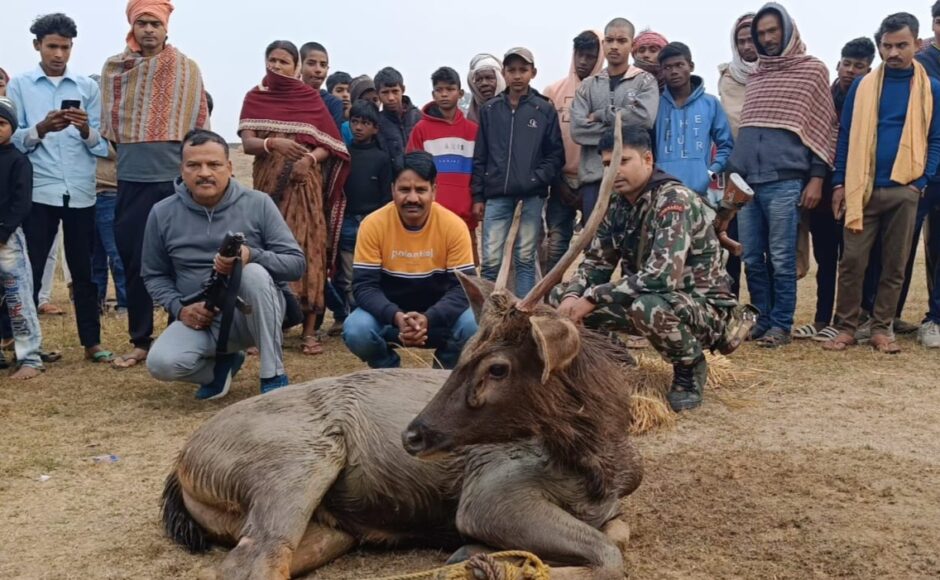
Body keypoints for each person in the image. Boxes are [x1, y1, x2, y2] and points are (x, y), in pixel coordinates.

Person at [551, 125, 741, 412]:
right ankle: (613, 357)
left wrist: (590, 298)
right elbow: (596, 263)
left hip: (700, 309)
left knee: (645, 305)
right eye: (607, 164)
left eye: (622, 161)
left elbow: (660, 277)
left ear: (648, 159)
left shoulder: (675, 200)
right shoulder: (615, 204)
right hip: (650, 298)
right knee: (559, 298)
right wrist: (572, 296)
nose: (613, 171)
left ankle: (689, 368)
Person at [144, 130, 305, 398]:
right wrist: (180, 309)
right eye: (193, 165)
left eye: (214, 164)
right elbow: (153, 274)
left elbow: (295, 264)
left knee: (252, 273)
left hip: (255, 316)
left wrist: (251, 255)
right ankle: (221, 368)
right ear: (181, 169)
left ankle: (273, 375)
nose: (204, 173)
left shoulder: (259, 203)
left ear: (229, 168)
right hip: (202, 320)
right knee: (161, 364)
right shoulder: (162, 213)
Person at [100, 0, 210, 369]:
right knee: (133, 259)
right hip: (131, 180)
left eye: (155, 24)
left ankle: (179, 328)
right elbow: (111, 130)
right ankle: (140, 339)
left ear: (166, 29)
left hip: (174, 182)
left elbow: (197, 126)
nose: (149, 29)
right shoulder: (115, 69)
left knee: (180, 257)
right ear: (133, 27)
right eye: (142, 23)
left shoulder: (186, 69)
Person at [823, 13, 940, 354]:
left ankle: (881, 327)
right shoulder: (863, 85)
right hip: (863, 188)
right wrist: (840, 183)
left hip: (905, 190)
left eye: (902, 45)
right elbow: (845, 137)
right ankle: (845, 327)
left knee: (895, 263)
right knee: (852, 262)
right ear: (879, 47)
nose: (893, 53)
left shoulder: (931, 88)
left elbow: (936, 139)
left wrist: (920, 182)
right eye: (886, 46)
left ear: (917, 45)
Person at [728, 3, 838, 348]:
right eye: (761, 33)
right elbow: (748, 129)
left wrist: (818, 178)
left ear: (788, 30)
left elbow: (824, 129)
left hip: (785, 180)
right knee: (750, 256)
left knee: (781, 257)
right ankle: (761, 318)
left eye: (773, 31)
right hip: (747, 183)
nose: (767, 38)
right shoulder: (757, 73)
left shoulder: (812, 70)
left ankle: (781, 324)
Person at [8, 12, 115, 365]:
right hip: (39, 192)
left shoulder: (86, 87)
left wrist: (85, 129)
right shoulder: (20, 85)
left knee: (83, 271)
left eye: (65, 47)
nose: (58, 54)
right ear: (38, 45)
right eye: (52, 46)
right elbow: (14, 140)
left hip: (81, 192)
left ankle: (91, 343)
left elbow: (102, 146)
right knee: (32, 271)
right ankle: (26, 346)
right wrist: (42, 127)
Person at [239, 40, 350, 356]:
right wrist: (273, 143)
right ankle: (266, 328)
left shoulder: (310, 99)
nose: (276, 66)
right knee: (266, 249)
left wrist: (309, 160)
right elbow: (248, 142)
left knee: (309, 247)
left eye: (284, 61)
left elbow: (329, 144)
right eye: (271, 60)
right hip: (269, 185)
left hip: (305, 184)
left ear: (296, 66)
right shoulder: (255, 96)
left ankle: (310, 331)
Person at [343, 151, 477, 369]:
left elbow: (464, 289)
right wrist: (396, 317)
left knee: (475, 324)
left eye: (421, 190)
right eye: (404, 189)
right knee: (357, 329)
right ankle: (387, 371)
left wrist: (429, 318)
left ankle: (443, 374)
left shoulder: (454, 226)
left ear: (434, 191)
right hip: (389, 318)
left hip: (438, 319)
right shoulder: (372, 225)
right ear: (392, 190)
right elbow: (364, 287)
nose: (412, 198)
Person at [792, 37, 875, 342]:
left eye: (859, 66)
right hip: (821, 193)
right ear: (838, 63)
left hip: (856, 192)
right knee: (826, 260)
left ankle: (847, 320)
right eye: (846, 63)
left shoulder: (869, 99)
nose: (850, 71)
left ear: (869, 69)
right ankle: (821, 318)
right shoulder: (823, 98)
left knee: (852, 262)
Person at [472, 47, 565, 296]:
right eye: (511, 70)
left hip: (531, 198)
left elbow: (555, 155)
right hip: (497, 197)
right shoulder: (490, 110)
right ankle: (487, 318)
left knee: (525, 259)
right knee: (490, 262)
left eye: (523, 70)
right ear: (504, 73)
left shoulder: (543, 109)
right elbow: (481, 157)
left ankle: (523, 317)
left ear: (533, 73)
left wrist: (535, 179)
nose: (517, 75)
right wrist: (478, 197)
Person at [571, 17, 659, 223]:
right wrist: (623, 131)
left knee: (634, 246)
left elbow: (644, 119)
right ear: (603, 45)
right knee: (594, 246)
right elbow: (578, 130)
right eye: (610, 40)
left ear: (632, 45)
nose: (614, 46)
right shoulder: (588, 85)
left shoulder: (645, 81)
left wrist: (602, 114)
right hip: (595, 179)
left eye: (621, 41)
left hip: (634, 180)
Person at [542, 30, 603, 272]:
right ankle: (548, 299)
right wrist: (557, 183)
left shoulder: (606, 93)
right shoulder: (553, 92)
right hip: (560, 181)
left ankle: (585, 299)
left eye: (590, 56)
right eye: (580, 55)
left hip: (595, 182)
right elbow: (545, 144)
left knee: (593, 246)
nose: (583, 62)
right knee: (556, 244)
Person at [334, 99, 392, 327]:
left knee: (376, 272)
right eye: (355, 122)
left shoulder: (382, 159)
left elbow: (387, 198)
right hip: (348, 222)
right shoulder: (344, 157)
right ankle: (354, 316)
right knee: (348, 274)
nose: (359, 127)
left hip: (374, 223)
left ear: (375, 128)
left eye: (365, 123)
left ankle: (377, 316)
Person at [654, 42, 734, 202]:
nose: (674, 71)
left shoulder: (710, 103)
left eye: (679, 65)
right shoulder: (655, 104)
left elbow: (726, 145)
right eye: (667, 67)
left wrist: (710, 173)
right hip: (661, 192)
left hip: (700, 193)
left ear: (690, 66)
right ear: (661, 71)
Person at [0, 96, 44, 379]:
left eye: (2, 123)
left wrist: (4, 231)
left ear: (12, 127)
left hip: (7, 241)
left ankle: (30, 357)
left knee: (18, 300)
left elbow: (21, 202)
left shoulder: (19, 161)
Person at [407, 66, 479, 234]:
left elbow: (479, 171)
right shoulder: (421, 129)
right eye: (439, 90)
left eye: (450, 89)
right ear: (433, 94)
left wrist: (476, 200)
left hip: (465, 219)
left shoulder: (473, 130)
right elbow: (413, 172)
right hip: (430, 218)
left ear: (460, 93)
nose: (444, 94)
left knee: (467, 260)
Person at [913, 0, 940, 347]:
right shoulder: (920, 63)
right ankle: (885, 318)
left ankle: (935, 318)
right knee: (903, 248)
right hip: (921, 168)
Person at [92, 141, 127, 314]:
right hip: (84, 192)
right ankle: (96, 304)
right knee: (93, 257)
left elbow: (115, 151)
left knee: (117, 254)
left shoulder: (113, 123)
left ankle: (125, 303)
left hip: (110, 190)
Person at [718, 13, 759, 137]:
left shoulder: (775, 71)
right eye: (741, 42)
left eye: (751, 40)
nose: (746, 47)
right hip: (736, 150)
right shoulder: (728, 77)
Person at [374, 66, 422, 169]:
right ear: (377, 93)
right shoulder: (377, 123)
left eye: (395, 91)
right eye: (385, 92)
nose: (391, 98)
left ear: (403, 89)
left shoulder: (419, 117)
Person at [299, 42, 345, 131]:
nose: (318, 70)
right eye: (311, 63)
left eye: (323, 65)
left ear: (327, 69)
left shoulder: (333, 103)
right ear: (299, 66)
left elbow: (334, 137)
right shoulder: (289, 97)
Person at [340, 75, 378, 145]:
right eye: (366, 100)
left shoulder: (384, 122)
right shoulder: (345, 128)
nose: (372, 104)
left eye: (375, 100)